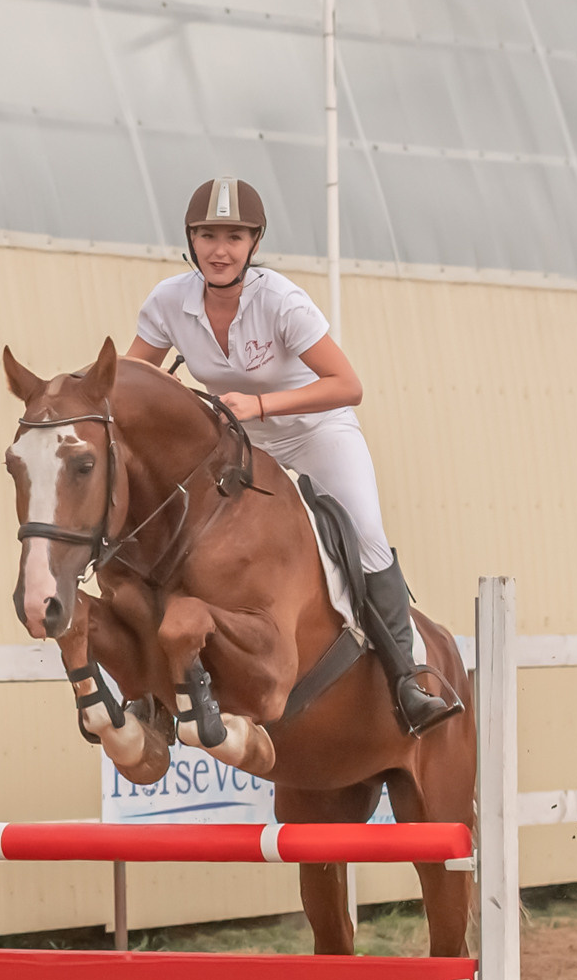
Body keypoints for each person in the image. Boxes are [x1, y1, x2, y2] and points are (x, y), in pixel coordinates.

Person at [125, 177, 461, 735]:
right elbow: (131, 382)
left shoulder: (280, 300)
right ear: (190, 240)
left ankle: (407, 677)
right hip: (243, 445)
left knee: (366, 532)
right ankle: (160, 683)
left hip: (316, 431)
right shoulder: (167, 303)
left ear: (253, 243)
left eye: (233, 236)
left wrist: (259, 405)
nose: (220, 249)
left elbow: (347, 384)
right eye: (208, 235)